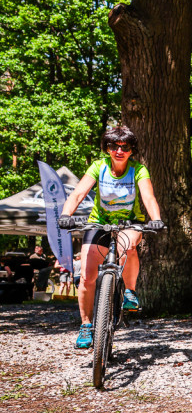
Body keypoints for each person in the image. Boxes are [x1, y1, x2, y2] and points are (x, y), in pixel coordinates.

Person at [58, 126, 164, 349]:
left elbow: (148, 196)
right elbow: (78, 193)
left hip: (129, 222)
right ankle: (86, 325)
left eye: (124, 147)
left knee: (129, 246)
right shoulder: (99, 167)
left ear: (131, 150)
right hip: (99, 223)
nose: (118, 150)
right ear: (106, 148)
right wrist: (66, 214)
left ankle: (129, 292)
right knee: (87, 277)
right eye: (113, 146)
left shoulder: (139, 170)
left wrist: (155, 218)